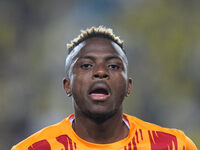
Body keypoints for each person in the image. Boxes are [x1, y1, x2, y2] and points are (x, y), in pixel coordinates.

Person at [12, 26, 197, 150]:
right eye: (86, 65)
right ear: (67, 85)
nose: (100, 72)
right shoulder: (35, 148)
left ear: (128, 86)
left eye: (113, 66)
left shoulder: (173, 145)